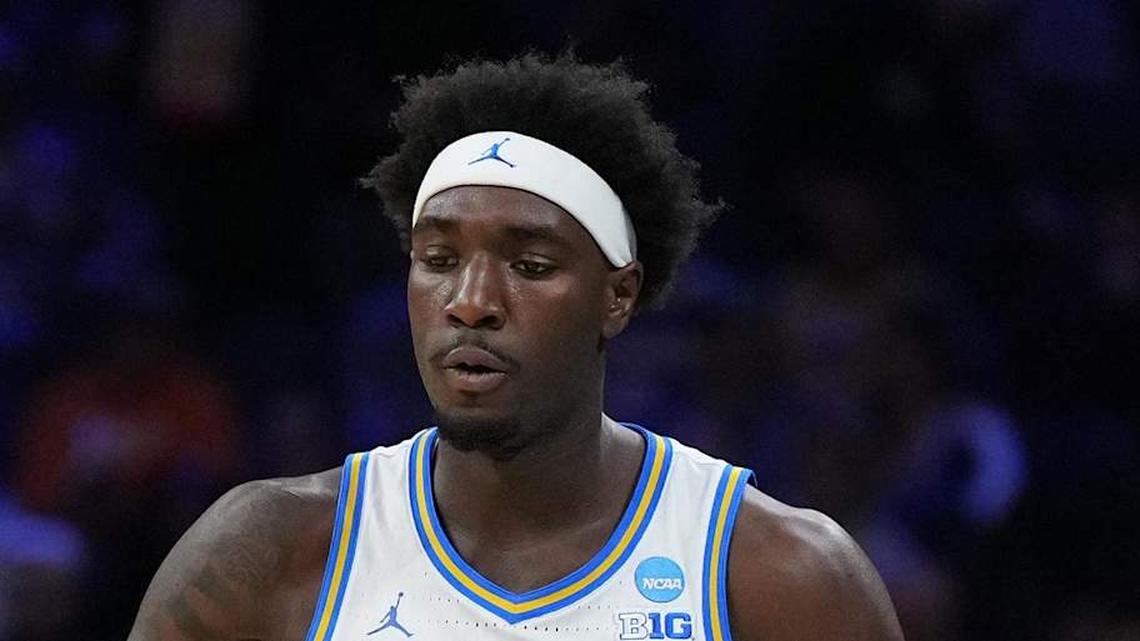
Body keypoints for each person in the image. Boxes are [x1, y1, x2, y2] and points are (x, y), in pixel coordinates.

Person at [128, 54, 904, 641]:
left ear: (619, 295)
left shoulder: (778, 574)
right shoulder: (266, 553)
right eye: (437, 261)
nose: (470, 302)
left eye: (530, 266)